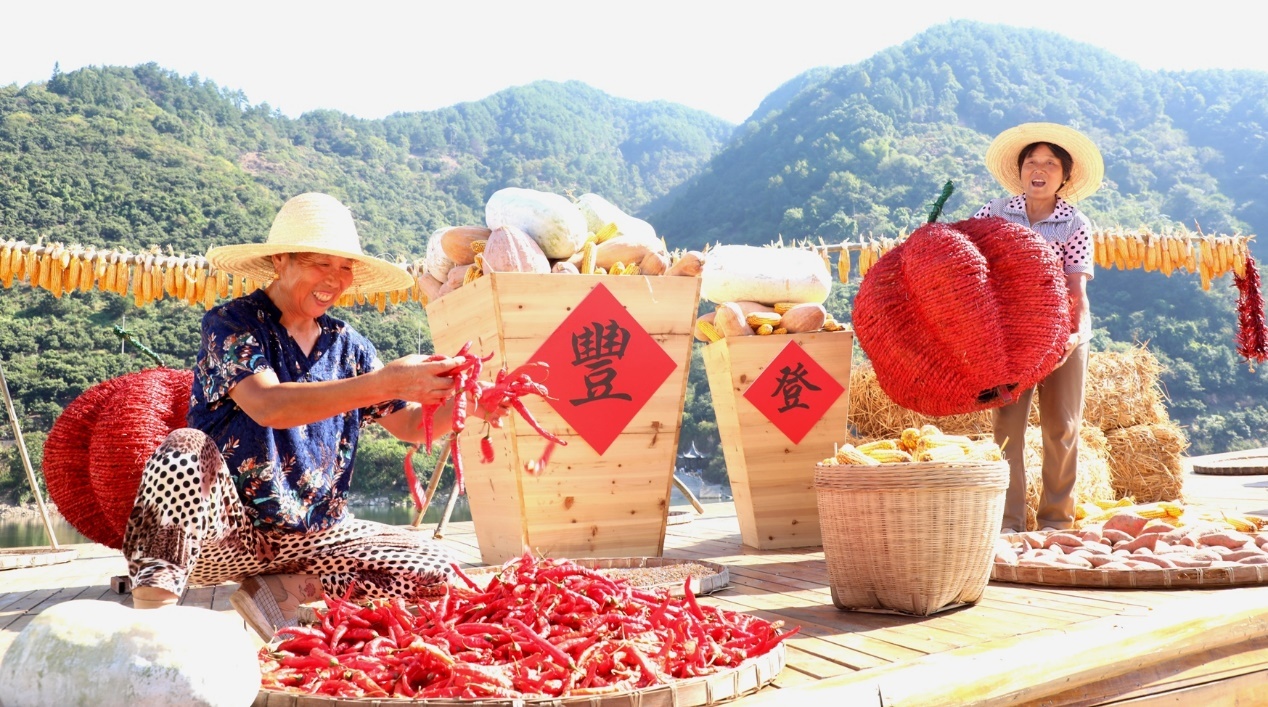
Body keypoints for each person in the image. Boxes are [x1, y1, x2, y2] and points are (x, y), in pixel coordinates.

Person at [124, 192, 499, 612]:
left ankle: (283, 589)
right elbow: (268, 405)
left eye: (344, 268)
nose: (335, 280)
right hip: (230, 535)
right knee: (181, 450)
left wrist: (474, 404)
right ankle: (150, 619)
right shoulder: (231, 324)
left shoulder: (349, 346)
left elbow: (410, 425)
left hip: (320, 536)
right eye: (321, 263)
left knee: (434, 573)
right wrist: (386, 381)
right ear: (280, 260)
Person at [972, 123, 1104, 534]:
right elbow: (963, 256)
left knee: (1062, 428)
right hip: (1009, 339)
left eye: (1050, 163)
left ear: (1064, 175)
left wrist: (1072, 336)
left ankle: (1055, 523)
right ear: (1021, 170)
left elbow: (1076, 289)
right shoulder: (994, 212)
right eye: (1032, 162)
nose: (1039, 169)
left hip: (1063, 332)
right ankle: (1008, 523)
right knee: (1007, 429)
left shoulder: (1075, 224)